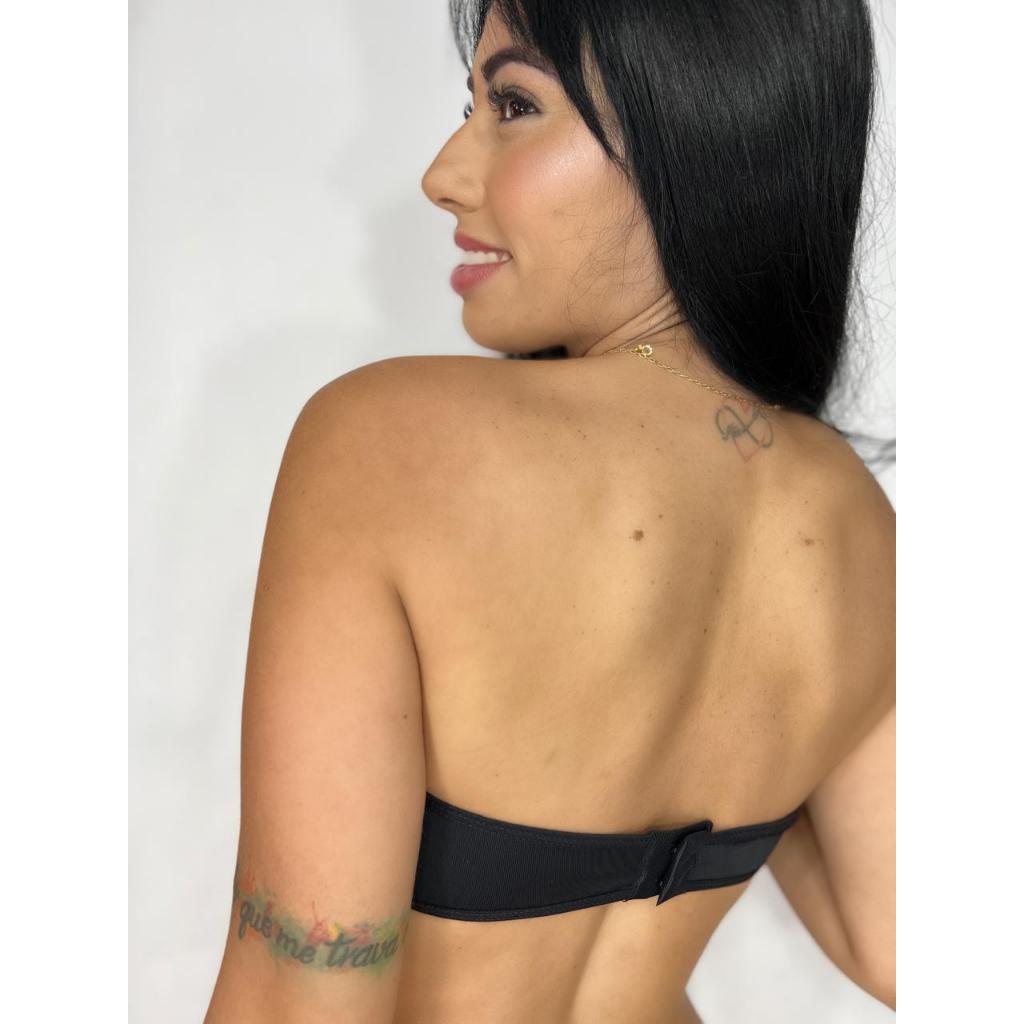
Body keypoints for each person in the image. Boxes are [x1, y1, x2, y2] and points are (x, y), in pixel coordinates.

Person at [204, 2, 895, 1022]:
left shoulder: (387, 446)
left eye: (515, 105)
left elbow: (293, 997)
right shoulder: (857, 525)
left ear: (693, 125)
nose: (443, 174)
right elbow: (903, 946)